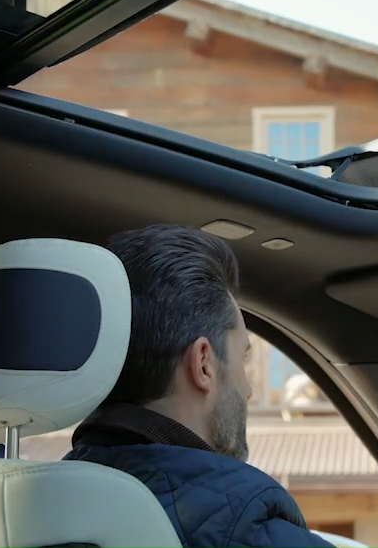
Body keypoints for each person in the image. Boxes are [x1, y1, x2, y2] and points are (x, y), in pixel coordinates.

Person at [66, 224, 334, 548]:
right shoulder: (240, 525)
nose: (248, 391)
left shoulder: (33, 507)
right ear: (204, 363)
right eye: (242, 360)